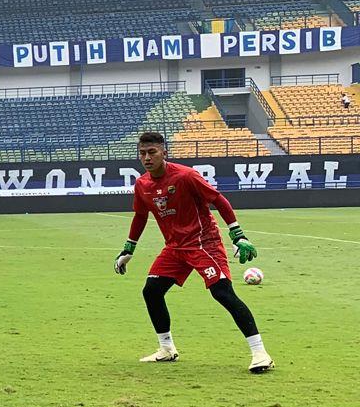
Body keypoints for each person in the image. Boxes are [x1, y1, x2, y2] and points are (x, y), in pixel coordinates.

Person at [114, 132, 274, 373]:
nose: (146, 158)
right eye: (142, 153)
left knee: (222, 293)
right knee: (152, 291)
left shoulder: (186, 176)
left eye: (152, 152)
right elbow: (140, 216)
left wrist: (237, 235)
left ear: (164, 153)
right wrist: (129, 248)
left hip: (203, 243)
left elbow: (218, 200)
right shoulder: (142, 184)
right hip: (174, 248)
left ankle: (260, 353)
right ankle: (166, 349)